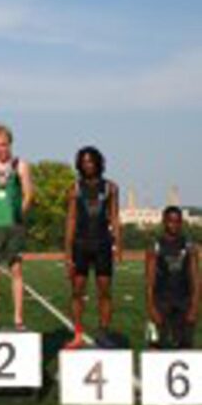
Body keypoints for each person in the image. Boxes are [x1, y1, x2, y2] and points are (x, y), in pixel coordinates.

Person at [64, 146, 122, 349]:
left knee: (104, 291)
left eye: (91, 161)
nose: (88, 164)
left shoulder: (111, 188)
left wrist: (119, 245)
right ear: (79, 165)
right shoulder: (75, 189)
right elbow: (71, 219)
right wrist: (67, 252)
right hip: (80, 245)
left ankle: (104, 332)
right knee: (77, 291)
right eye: (84, 161)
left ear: (98, 163)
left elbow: (114, 217)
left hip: (103, 245)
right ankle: (77, 334)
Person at [0, 124, 33, 331]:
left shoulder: (21, 165)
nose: (1, 149)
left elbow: (29, 194)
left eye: (4, 144)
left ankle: (18, 318)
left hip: (14, 225)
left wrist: (19, 213)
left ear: (10, 143)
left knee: (16, 270)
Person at [146, 206, 199, 349]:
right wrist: (151, 306)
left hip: (184, 301)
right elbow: (149, 281)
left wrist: (194, 306)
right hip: (161, 300)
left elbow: (195, 278)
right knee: (155, 343)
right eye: (170, 221)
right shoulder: (155, 246)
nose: (174, 225)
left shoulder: (190, 246)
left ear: (181, 223)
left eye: (177, 221)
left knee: (185, 344)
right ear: (164, 222)